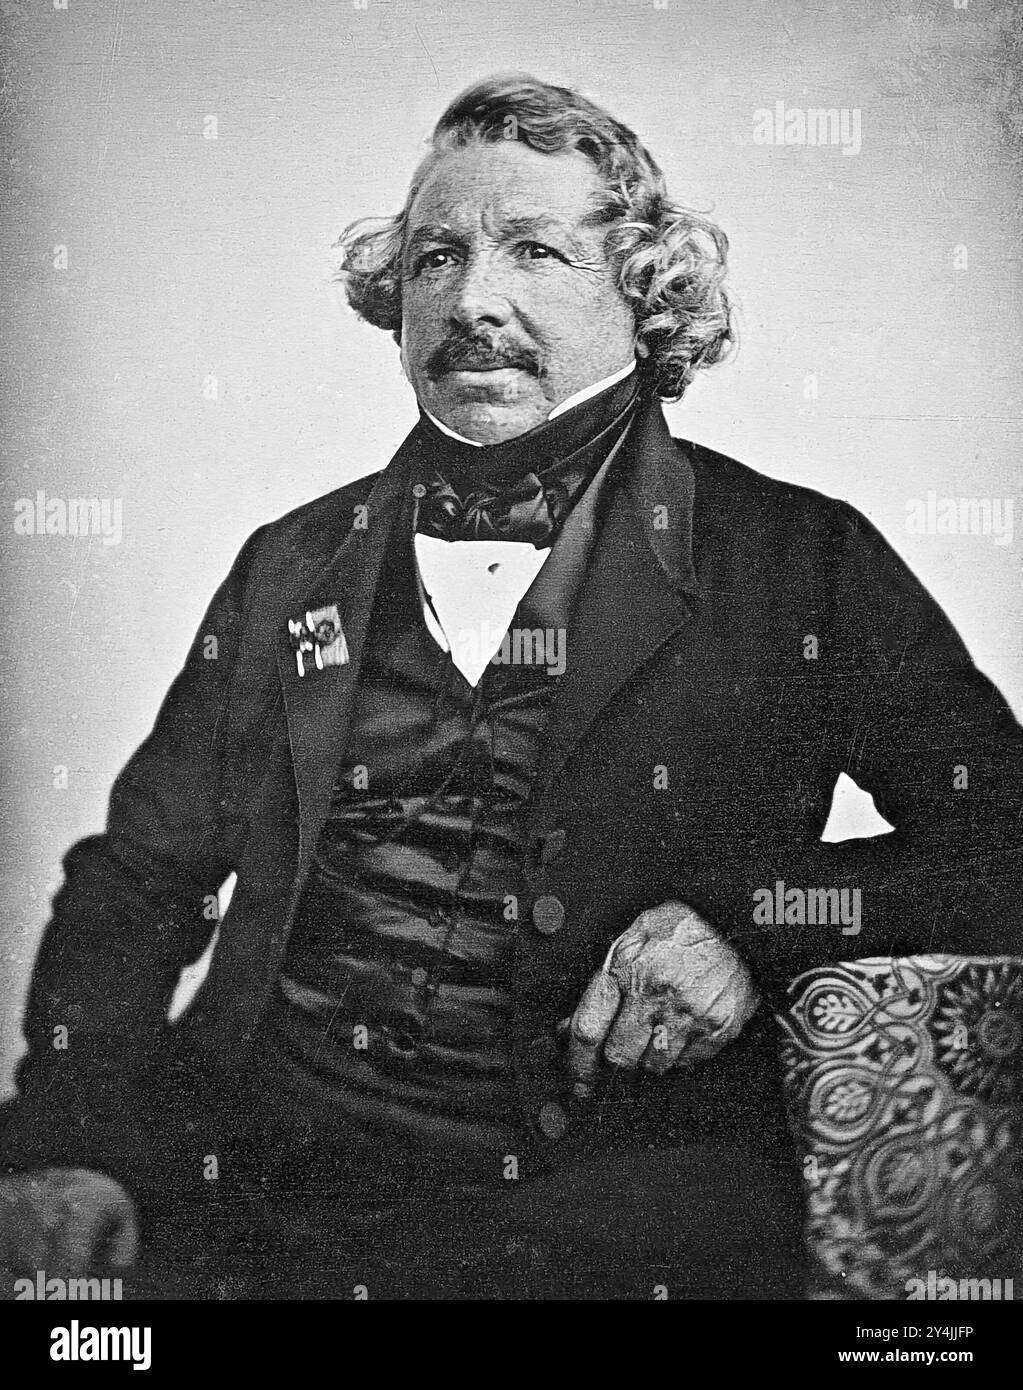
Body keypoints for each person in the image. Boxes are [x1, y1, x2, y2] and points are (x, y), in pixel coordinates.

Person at [2, 74, 1020, 1300]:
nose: (471, 300)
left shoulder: (799, 560)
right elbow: (136, 879)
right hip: (247, 1195)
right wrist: (74, 1146)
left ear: (645, 293)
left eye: (534, 250)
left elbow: (1004, 842)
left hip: (606, 1226)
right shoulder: (291, 562)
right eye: (437, 257)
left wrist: (748, 921)